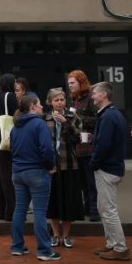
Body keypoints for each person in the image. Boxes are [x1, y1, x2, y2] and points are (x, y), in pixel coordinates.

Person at [9, 94, 60, 260]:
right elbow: (46, 149)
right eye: (38, 104)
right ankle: (44, 250)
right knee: (39, 212)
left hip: (18, 171)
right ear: (32, 106)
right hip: (37, 171)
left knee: (20, 209)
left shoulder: (15, 127)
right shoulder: (39, 124)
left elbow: (12, 149)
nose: (41, 107)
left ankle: (17, 246)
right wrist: (50, 166)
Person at [89, 81, 130, 260]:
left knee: (108, 209)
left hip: (107, 168)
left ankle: (120, 248)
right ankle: (111, 243)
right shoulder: (113, 115)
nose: (92, 96)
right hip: (113, 166)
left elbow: (104, 144)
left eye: (95, 93)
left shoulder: (107, 117)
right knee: (104, 207)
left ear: (104, 95)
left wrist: (94, 161)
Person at [44, 88, 84, 249]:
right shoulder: (44, 118)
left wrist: (65, 123)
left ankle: (66, 235)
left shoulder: (72, 117)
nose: (60, 103)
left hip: (69, 164)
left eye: (62, 100)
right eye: (56, 100)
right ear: (50, 102)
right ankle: (55, 234)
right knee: (53, 201)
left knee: (69, 200)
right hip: (52, 165)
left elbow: (77, 139)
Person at [66, 70, 99, 221]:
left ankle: (94, 210)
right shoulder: (74, 99)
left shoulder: (92, 97)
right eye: (69, 83)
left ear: (81, 82)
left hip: (90, 145)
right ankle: (86, 207)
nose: (70, 86)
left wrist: (78, 118)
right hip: (78, 146)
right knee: (83, 181)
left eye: (72, 83)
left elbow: (98, 120)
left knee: (91, 180)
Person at [0, 73, 18, 222]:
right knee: (7, 175)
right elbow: (16, 116)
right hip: (4, 136)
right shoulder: (10, 96)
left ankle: (1, 211)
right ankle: (11, 212)